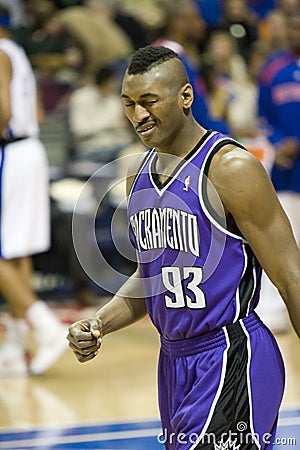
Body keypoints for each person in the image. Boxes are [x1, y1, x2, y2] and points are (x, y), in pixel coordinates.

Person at [67, 46, 300, 449]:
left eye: (149, 102)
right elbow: (150, 279)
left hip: (232, 355)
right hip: (174, 363)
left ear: (186, 98)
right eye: (129, 104)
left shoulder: (230, 168)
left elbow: (291, 276)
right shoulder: (138, 176)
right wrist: (100, 322)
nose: (138, 116)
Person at [0, 6, 68, 376]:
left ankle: (46, 327)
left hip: (9, 153)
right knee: (16, 253)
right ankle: (13, 347)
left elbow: (2, 112)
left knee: (3, 251)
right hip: (31, 149)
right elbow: (38, 115)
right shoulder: (18, 53)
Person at [256, 11, 300, 333]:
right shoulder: (272, 69)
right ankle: (277, 310)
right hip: (286, 171)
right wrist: (277, 142)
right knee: (284, 242)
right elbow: (263, 117)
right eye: (293, 27)